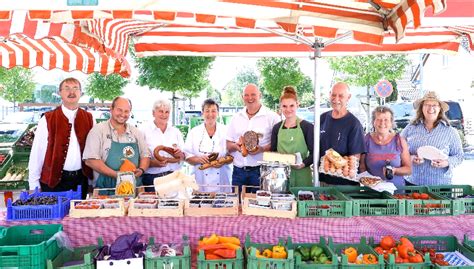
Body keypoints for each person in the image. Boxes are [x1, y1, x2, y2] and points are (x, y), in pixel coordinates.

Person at [28, 78, 94, 199]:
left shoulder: (90, 118)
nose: (71, 92)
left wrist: (91, 182)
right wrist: (33, 185)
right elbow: (37, 153)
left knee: (79, 216)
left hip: (81, 180)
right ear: (60, 93)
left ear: (81, 93)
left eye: (75, 88)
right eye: (67, 88)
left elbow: (93, 152)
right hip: (53, 182)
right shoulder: (47, 119)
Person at [83, 97, 150, 191]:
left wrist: (142, 169)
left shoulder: (136, 132)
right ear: (111, 109)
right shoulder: (98, 131)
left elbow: (145, 155)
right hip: (105, 191)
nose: (123, 114)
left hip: (134, 190)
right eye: (119, 110)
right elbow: (91, 160)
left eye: (126, 111)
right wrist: (118, 175)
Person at [401, 91, 463, 185]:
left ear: (440, 109)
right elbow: (398, 150)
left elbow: (459, 156)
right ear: (422, 107)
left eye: (434, 105)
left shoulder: (450, 131)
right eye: (427, 104)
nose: (431, 108)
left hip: (440, 186)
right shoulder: (410, 128)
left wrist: (446, 162)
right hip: (412, 184)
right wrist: (411, 158)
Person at [226, 84, 280, 192]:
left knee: (259, 205)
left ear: (260, 95)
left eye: (253, 94)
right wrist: (237, 147)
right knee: (238, 205)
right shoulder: (235, 118)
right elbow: (228, 144)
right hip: (238, 172)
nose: (250, 98)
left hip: (261, 171)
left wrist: (262, 149)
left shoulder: (273, 117)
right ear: (242, 97)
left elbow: (277, 144)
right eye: (246, 95)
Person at [319, 82, 366, 186]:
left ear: (348, 97)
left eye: (341, 96)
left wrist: (333, 164)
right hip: (322, 181)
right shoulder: (322, 119)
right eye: (333, 95)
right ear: (329, 94)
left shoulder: (354, 124)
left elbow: (354, 161)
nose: (336, 99)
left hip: (344, 184)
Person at [270, 86, 314, 187]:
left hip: (302, 175)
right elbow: (273, 151)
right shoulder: (276, 128)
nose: (288, 109)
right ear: (280, 107)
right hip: (280, 176)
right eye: (284, 106)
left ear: (297, 105)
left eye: (291, 106)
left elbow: (315, 153)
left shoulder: (307, 127)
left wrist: (303, 164)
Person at [184, 99, 231, 192]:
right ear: (202, 113)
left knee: (223, 205)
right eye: (207, 111)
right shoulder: (194, 132)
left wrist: (223, 161)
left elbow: (233, 155)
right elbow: (186, 156)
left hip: (222, 181)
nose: (210, 114)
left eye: (213, 111)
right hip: (200, 181)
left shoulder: (226, 131)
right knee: (201, 204)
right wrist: (198, 159)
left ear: (218, 113)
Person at [359, 106, 411, 188]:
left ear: (391, 123)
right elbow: (362, 166)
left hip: (396, 193)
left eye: (386, 120)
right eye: (379, 119)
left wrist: (395, 170)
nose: (382, 123)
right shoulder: (366, 140)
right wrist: (370, 182)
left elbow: (408, 169)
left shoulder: (399, 141)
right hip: (371, 193)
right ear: (373, 122)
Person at [140, 99, 185, 191]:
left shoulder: (175, 132)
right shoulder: (143, 131)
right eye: (160, 111)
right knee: (153, 204)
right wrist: (151, 163)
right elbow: (138, 157)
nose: (164, 115)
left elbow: (183, 156)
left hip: (174, 177)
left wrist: (180, 154)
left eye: (167, 112)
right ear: (153, 113)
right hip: (152, 179)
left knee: (174, 204)